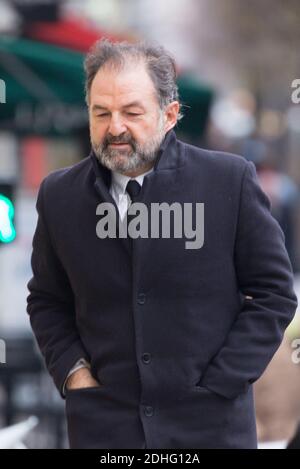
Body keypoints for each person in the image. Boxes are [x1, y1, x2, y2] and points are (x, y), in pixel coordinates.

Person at [27, 39, 298, 449]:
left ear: (169, 115)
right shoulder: (58, 195)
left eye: (131, 112)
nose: (114, 126)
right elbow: (46, 299)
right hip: (103, 432)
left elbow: (274, 293)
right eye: (101, 113)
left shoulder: (229, 180)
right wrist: (75, 374)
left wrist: (223, 380)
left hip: (210, 431)